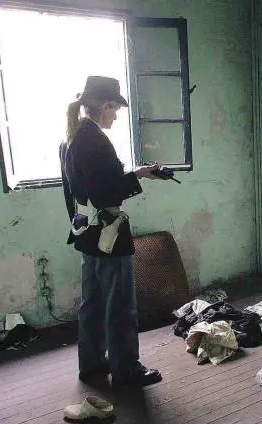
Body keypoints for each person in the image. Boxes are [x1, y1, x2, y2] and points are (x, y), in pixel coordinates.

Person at [59, 76, 163, 387]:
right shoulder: (95, 141)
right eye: (115, 109)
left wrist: (135, 173)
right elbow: (106, 193)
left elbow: (78, 192)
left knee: (92, 305)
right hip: (108, 235)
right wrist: (136, 177)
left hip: (86, 233)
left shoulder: (72, 137)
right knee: (119, 306)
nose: (116, 116)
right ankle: (126, 370)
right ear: (105, 106)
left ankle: (92, 365)